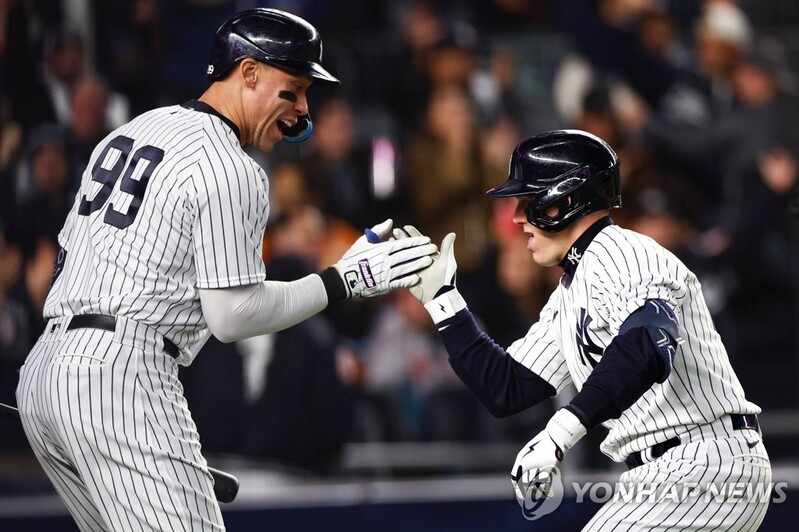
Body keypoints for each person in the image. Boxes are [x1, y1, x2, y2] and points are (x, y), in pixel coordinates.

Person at [14, 9, 436, 531]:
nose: (303, 109)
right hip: (122, 373)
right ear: (250, 72)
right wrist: (341, 280)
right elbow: (232, 316)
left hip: (44, 372)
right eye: (294, 88)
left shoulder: (134, 129)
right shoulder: (231, 166)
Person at [399, 129, 771, 529]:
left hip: (704, 459)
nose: (518, 217)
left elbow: (648, 342)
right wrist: (445, 303)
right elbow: (506, 387)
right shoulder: (570, 290)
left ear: (567, 198)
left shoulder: (624, 252)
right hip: (665, 472)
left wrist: (560, 432)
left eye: (528, 200)